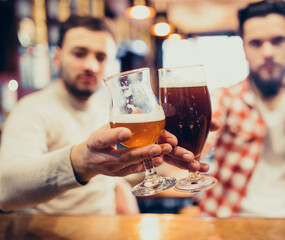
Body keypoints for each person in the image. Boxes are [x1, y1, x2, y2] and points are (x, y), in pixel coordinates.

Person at [0, 15, 208, 215]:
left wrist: (159, 169)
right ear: (57, 57)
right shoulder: (30, 109)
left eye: (101, 57)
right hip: (50, 231)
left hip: (108, 228)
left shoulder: (104, 109)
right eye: (79, 53)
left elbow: (113, 174)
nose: (91, 66)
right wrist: (80, 163)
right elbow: (5, 189)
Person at [197, 0, 285, 218]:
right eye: (256, 43)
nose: (267, 52)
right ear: (244, 48)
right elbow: (203, 138)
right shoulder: (224, 98)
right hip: (227, 220)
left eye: (278, 40)